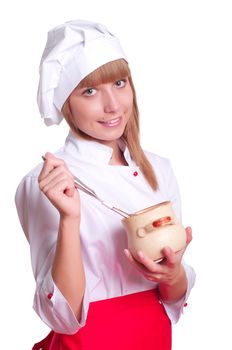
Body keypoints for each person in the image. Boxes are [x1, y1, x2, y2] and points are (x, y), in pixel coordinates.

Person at [15, 20, 195, 350]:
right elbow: (62, 318)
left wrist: (172, 276)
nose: (113, 105)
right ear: (66, 102)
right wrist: (70, 218)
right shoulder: (48, 183)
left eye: (120, 83)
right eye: (90, 91)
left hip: (153, 339)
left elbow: (171, 300)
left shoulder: (159, 169)